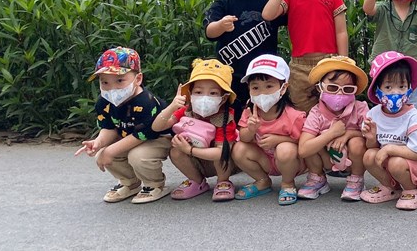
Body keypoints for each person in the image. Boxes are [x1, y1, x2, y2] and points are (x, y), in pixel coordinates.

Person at [75, 47, 173, 204]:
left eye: (120, 80)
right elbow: (109, 128)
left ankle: (154, 184)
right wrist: (98, 142)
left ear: (138, 79)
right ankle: (130, 182)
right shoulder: (104, 102)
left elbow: (142, 135)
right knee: (103, 153)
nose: (111, 88)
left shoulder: (146, 102)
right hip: (129, 137)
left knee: (137, 156)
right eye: (105, 82)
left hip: (157, 137)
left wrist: (111, 150)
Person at [262, 0, 349, 113]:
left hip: (329, 61)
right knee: (301, 110)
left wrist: (343, 62)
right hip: (299, 66)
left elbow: (341, 32)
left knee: (333, 109)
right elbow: (268, 15)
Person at [203, 0, 285, 112]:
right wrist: (221, 25)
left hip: (264, 76)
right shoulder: (223, 3)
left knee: (264, 113)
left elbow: (296, 18)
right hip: (230, 76)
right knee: (231, 114)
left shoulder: (270, 1)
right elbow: (209, 32)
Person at [152, 58, 239, 202]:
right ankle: (197, 181)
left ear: (223, 98)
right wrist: (172, 107)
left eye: (213, 93)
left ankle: (223, 181)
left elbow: (221, 152)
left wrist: (190, 150)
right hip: (197, 161)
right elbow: (157, 127)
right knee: (175, 151)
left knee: (222, 152)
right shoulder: (187, 110)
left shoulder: (225, 118)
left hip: (222, 162)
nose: (204, 97)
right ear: (190, 93)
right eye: (198, 92)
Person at [232, 55, 314, 205]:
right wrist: (251, 129)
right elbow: (243, 138)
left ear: (284, 88)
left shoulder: (294, 116)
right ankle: (262, 181)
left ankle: (288, 183)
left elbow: (303, 142)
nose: (262, 92)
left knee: (285, 149)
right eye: (255, 88)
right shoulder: (249, 113)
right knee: (238, 148)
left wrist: (278, 140)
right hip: (265, 160)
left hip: (291, 161)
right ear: (249, 89)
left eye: (269, 86)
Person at [360, 51, 417, 211]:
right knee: (369, 156)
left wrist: (388, 149)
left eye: (402, 87)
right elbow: (374, 148)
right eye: (388, 87)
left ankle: (411, 190)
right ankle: (390, 187)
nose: (395, 93)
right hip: (393, 160)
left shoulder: (412, 117)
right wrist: (371, 138)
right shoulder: (374, 114)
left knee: (396, 162)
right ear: (377, 89)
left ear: (409, 88)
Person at [296, 56, 370, 201]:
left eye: (347, 89)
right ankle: (317, 178)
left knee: (357, 142)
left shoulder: (361, 109)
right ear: (320, 87)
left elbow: (372, 139)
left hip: (353, 161)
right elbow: (303, 149)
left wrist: (348, 134)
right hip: (326, 161)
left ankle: (356, 180)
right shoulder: (316, 113)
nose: (339, 93)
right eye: (332, 87)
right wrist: (331, 133)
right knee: (311, 143)